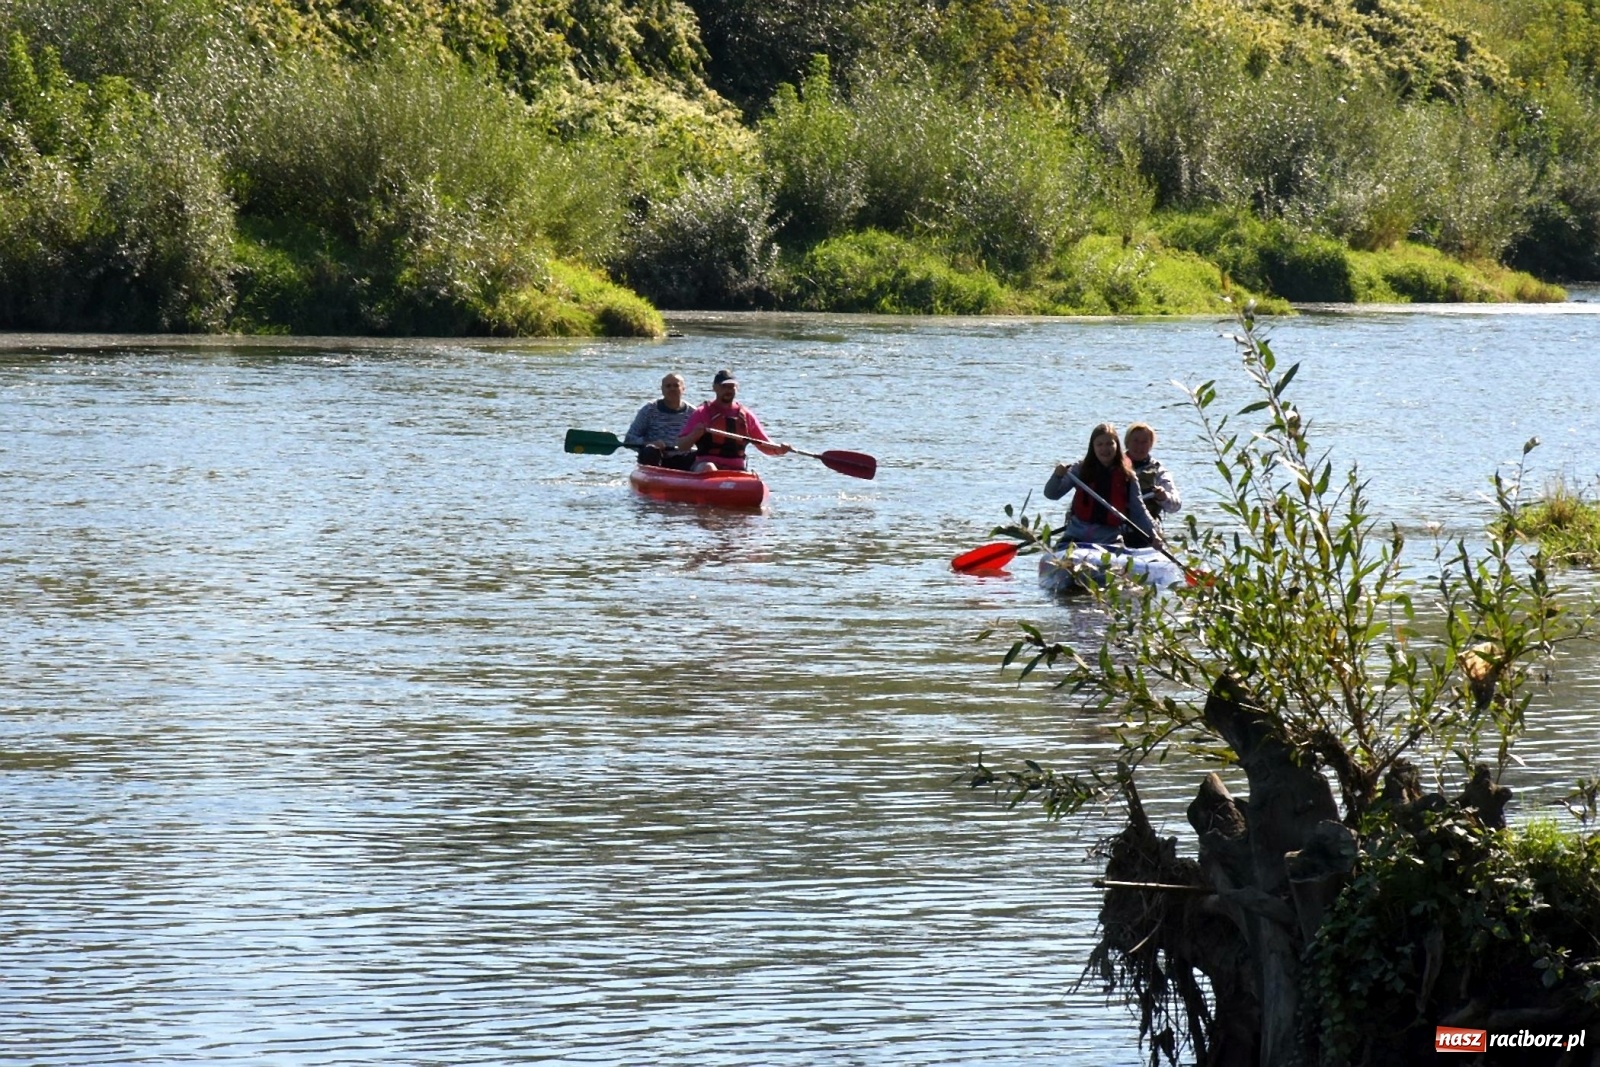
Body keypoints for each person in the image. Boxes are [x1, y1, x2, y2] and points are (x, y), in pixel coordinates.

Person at [1044, 422, 1156, 546]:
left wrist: (1154, 535)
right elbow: (1052, 494)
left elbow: (1139, 512)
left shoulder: (1128, 476)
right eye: (1100, 444)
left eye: (1109, 444)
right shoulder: (1079, 470)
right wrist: (1057, 476)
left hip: (1109, 540)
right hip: (1075, 536)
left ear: (1117, 446)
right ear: (1093, 447)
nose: (1105, 449)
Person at [675, 369, 792, 472]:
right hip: (706, 467)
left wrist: (780, 449)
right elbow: (681, 446)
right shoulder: (702, 413)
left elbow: (764, 445)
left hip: (736, 470)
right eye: (724, 386)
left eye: (731, 387)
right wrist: (695, 434)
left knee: (750, 478)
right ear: (715, 388)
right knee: (709, 468)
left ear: (737, 389)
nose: (728, 390)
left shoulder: (746, 415)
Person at [1123, 421, 1182, 541]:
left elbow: (1176, 506)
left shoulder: (1159, 471)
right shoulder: (1112, 465)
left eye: (1144, 442)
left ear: (1151, 445)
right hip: (1116, 529)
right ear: (1127, 442)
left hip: (1147, 531)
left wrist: (1164, 497)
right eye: (1135, 441)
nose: (1139, 446)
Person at [625, 373, 695, 469]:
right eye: (668, 386)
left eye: (676, 385)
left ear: (683, 389)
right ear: (662, 389)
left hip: (682, 459)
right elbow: (629, 439)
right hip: (654, 458)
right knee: (650, 451)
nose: (672, 389)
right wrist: (650, 443)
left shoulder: (693, 413)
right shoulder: (649, 410)